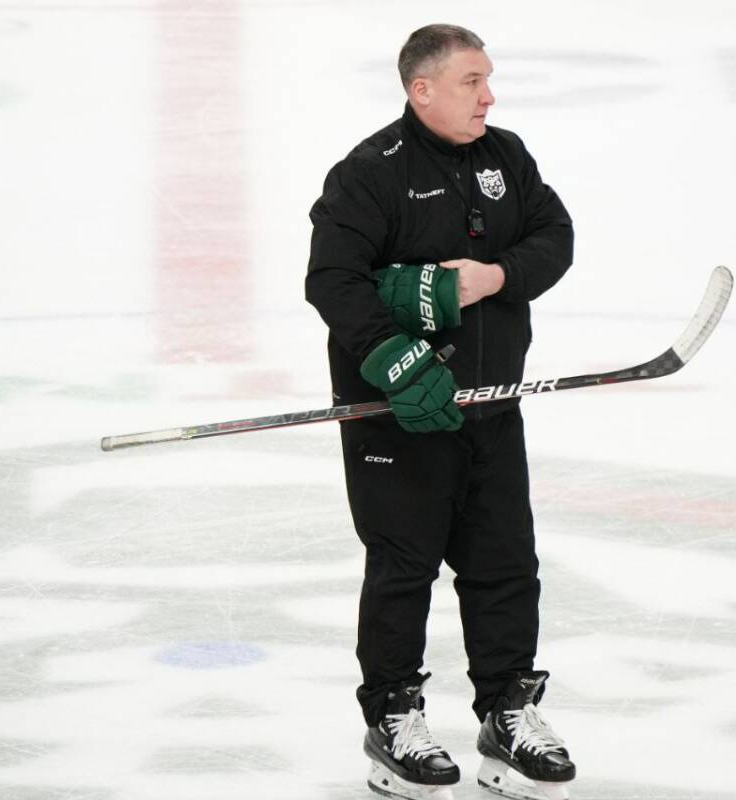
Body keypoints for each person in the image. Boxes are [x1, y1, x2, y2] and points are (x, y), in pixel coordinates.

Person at [305, 24, 576, 800]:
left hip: (491, 407)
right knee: (404, 566)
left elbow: (554, 236)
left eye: (487, 79)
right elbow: (333, 281)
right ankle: (393, 717)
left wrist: (496, 275)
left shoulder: (506, 158)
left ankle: (507, 713)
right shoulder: (369, 173)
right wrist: (395, 360)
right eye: (471, 82)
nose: (488, 96)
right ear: (420, 90)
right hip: (398, 415)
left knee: (504, 563)